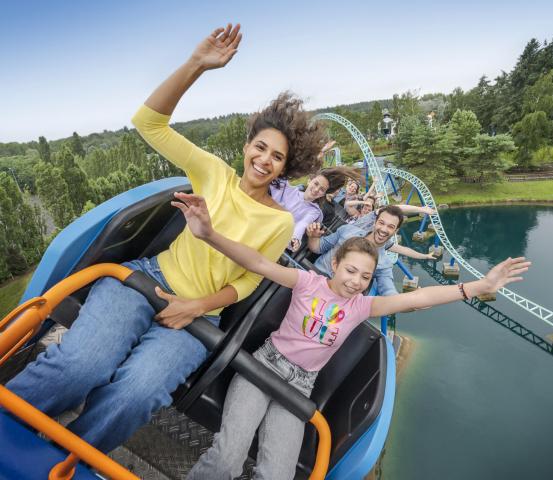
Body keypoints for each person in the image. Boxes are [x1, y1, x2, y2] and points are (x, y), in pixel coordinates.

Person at [5, 24, 327, 454]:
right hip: (148, 281)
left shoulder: (280, 223)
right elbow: (148, 123)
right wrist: (197, 64)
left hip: (199, 315)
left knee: (135, 395)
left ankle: (60, 459)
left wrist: (195, 306)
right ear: (247, 143)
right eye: (261, 147)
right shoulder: (212, 172)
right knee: (81, 366)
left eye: (277, 157)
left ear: (286, 167)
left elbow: (249, 281)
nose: (264, 160)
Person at [171, 191, 530, 480]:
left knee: (277, 474)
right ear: (337, 264)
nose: (356, 282)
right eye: (351, 271)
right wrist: (209, 234)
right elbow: (259, 263)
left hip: (299, 386)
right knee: (228, 460)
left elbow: (419, 297)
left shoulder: (362, 307)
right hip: (265, 366)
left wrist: (477, 286)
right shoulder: (307, 282)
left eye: (365, 277)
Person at [270, 156, 362, 251]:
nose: (316, 189)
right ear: (310, 180)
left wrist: (295, 238)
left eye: (322, 189)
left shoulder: (314, 211)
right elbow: (280, 175)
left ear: (324, 194)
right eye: (316, 184)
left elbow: (302, 224)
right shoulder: (289, 190)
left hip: (277, 237)